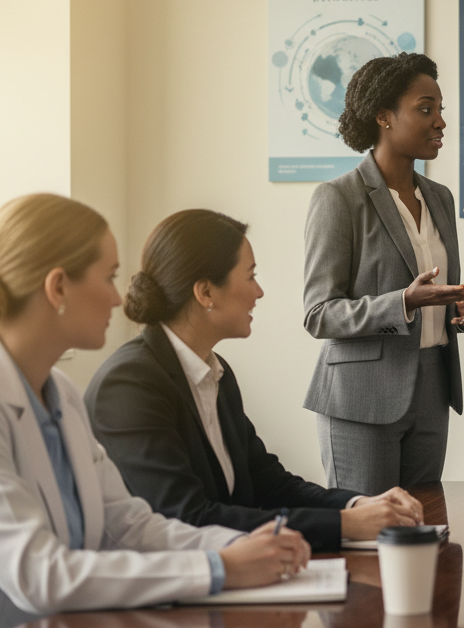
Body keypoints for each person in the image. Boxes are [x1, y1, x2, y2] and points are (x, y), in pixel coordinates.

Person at [0, 194, 308, 628]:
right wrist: (217, 567)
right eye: (109, 277)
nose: (119, 296)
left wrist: (244, 546)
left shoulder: (59, 392)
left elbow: (128, 525)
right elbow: (42, 576)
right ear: (58, 288)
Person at [86, 210, 425, 552]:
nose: (259, 292)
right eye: (250, 276)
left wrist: (358, 505)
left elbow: (269, 484)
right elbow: (186, 519)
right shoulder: (130, 384)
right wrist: (344, 525)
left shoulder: (216, 373)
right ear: (206, 292)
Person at [303, 53, 464, 495]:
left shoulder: (440, 198)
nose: (440, 121)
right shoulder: (338, 198)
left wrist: (461, 310)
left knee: (424, 529)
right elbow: (319, 314)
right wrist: (404, 302)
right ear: (384, 117)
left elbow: (435, 295)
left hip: (432, 388)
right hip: (360, 398)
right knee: (369, 542)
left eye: (441, 109)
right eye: (425, 109)